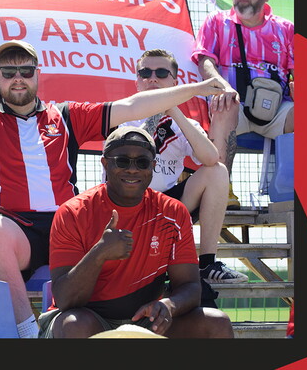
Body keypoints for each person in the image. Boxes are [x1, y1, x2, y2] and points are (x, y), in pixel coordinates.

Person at [0, 40, 228, 338]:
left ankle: (122, 328)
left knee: (116, 233)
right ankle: (30, 335)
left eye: (26, 70)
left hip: (68, 228)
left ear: (38, 75)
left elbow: (132, 106)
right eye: (8, 72)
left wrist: (195, 89)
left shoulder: (67, 116)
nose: (18, 78)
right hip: (17, 230)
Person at [37, 126, 234, 338]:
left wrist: (169, 305)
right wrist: (99, 253)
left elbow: (191, 287)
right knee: (75, 325)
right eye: (122, 161)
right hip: (89, 317)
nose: (133, 169)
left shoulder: (173, 212)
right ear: (105, 163)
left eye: (142, 162)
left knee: (217, 323)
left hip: (145, 322)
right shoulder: (73, 212)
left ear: (153, 166)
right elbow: (66, 299)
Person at [113, 49, 247, 284]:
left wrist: (173, 108)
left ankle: (207, 263)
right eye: (145, 73)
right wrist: (159, 106)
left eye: (161, 73)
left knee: (217, 171)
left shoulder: (186, 123)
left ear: (175, 82)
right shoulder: (120, 113)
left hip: (165, 206)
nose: (152, 78)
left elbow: (209, 158)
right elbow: (136, 151)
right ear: (137, 82)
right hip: (127, 207)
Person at [192, 0, 294, 198]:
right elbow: (205, 60)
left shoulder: (286, 29)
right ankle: (221, 189)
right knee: (224, 104)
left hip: (277, 108)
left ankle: (291, 192)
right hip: (234, 105)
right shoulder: (217, 21)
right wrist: (222, 86)